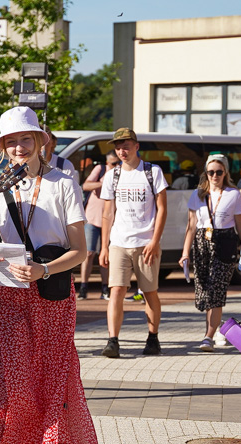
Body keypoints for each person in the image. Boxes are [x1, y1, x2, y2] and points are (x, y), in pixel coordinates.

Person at [0, 106, 98, 444]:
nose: (17, 147)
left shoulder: (64, 185)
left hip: (52, 299)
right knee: (12, 386)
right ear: (3, 148)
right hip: (10, 295)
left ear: (40, 142)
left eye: (24, 139)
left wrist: (44, 267)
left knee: (47, 382)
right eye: (10, 142)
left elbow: (81, 250)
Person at [99, 127, 168, 358]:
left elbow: (162, 209)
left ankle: (153, 337)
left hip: (145, 243)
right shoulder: (112, 175)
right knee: (116, 290)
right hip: (119, 241)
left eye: (126, 146)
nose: (121, 151)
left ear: (136, 146)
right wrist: (104, 246)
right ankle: (113, 340)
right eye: (118, 147)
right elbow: (107, 214)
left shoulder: (152, 172)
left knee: (149, 292)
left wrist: (154, 241)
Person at [178, 155, 241, 352]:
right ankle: (215, 327)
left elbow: (240, 224)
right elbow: (191, 226)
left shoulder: (233, 194)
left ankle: (208, 335)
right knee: (205, 292)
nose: (215, 176)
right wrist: (185, 253)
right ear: (205, 174)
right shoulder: (197, 195)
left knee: (217, 290)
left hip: (225, 242)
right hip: (201, 243)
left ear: (225, 173)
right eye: (211, 172)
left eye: (219, 172)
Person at [78, 150, 117, 299]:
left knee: (106, 254)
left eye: (118, 163)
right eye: (113, 163)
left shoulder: (121, 173)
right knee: (88, 253)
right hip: (93, 217)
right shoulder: (101, 169)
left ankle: (105, 288)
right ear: (107, 163)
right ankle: (83, 287)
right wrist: (103, 182)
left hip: (111, 220)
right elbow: (86, 185)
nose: (116, 166)